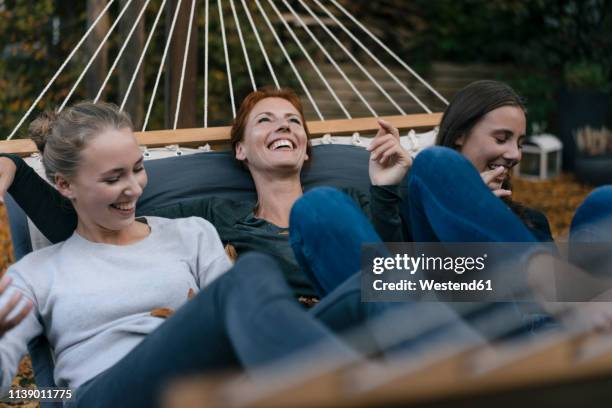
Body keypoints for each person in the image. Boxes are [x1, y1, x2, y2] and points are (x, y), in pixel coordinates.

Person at [0, 102, 357, 407]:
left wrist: (388, 192)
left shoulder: (191, 232)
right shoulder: (36, 273)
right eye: (113, 178)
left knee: (368, 288)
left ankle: (387, 377)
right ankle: (355, 387)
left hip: (211, 381)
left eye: (139, 169)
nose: (134, 187)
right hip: (105, 391)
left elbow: (234, 331)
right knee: (251, 272)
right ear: (64, 185)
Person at [0, 87, 411, 301]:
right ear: (241, 150)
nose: (284, 126)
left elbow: (408, 269)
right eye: (265, 120)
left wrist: (388, 187)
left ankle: (476, 295)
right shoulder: (215, 219)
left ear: (305, 148)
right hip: (319, 334)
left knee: (432, 177)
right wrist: (14, 168)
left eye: (293, 122)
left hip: (398, 303)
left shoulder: (355, 201)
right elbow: (88, 228)